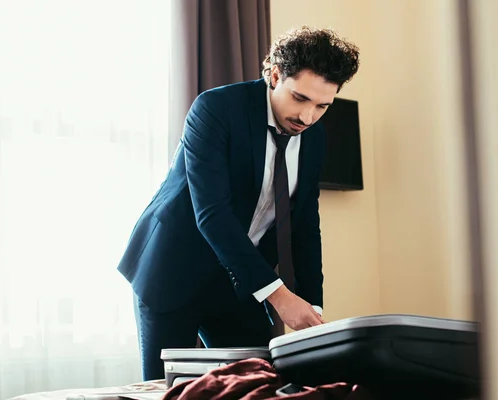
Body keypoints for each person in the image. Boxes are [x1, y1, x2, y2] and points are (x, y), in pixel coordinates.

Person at [117, 26, 360, 380]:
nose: (307, 117)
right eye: (300, 98)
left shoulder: (316, 137)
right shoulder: (216, 109)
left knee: (256, 384)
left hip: (239, 280)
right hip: (172, 269)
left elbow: (305, 224)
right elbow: (212, 215)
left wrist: (311, 307)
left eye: (322, 105)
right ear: (275, 75)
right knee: (167, 390)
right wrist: (280, 296)